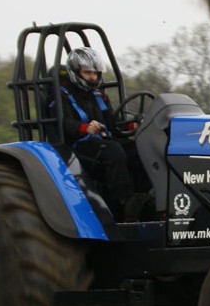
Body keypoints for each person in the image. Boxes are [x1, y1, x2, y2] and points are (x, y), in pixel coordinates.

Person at [53, 47, 144, 221]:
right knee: (113, 151)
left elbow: (113, 123)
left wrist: (132, 125)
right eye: (88, 73)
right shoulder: (61, 96)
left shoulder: (98, 95)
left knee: (137, 149)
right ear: (75, 72)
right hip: (77, 146)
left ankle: (143, 199)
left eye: (95, 73)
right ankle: (124, 203)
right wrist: (85, 128)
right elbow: (65, 124)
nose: (93, 77)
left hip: (102, 141)